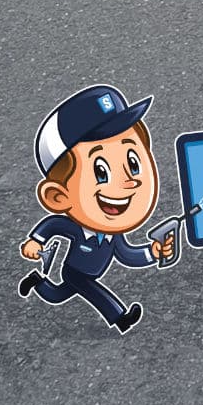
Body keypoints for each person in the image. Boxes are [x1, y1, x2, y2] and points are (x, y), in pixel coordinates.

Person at [18, 85, 176, 333]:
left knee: (56, 295)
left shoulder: (113, 233)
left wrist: (152, 253)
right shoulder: (76, 228)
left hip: (90, 270)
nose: (129, 181)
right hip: (76, 271)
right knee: (88, 289)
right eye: (101, 171)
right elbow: (53, 225)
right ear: (58, 197)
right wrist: (36, 241)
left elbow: (126, 255)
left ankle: (37, 282)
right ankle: (120, 317)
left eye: (133, 164)